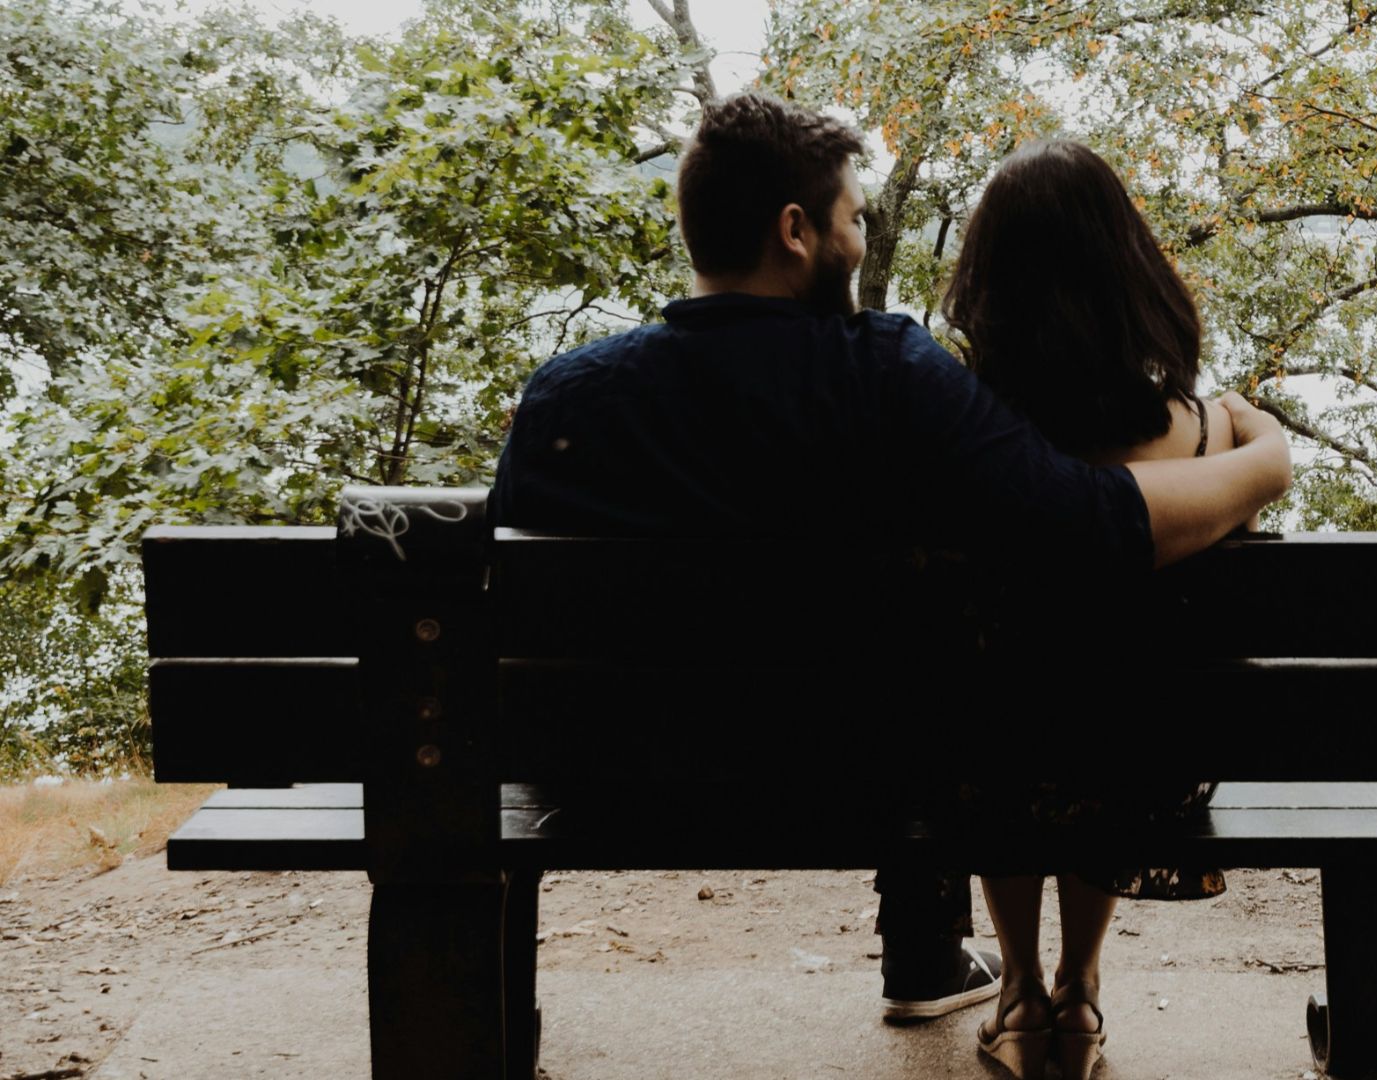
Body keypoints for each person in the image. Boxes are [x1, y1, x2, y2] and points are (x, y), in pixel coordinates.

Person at [488, 93, 1292, 1025]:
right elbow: (1084, 525)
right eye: (854, 217)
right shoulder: (885, 377)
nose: (861, 237)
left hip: (593, 780)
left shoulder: (564, 398)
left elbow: (514, 604)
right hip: (838, 782)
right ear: (796, 232)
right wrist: (1263, 462)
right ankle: (938, 955)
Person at [941, 139, 1275, 1080]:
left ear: (988, 284)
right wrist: (1265, 437)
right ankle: (1079, 991)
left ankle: (1018, 988)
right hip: (1145, 770)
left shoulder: (958, 430)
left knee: (994, 714)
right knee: (1114, 710)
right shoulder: (1209, 437)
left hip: (979, 769)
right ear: (1130, 272)